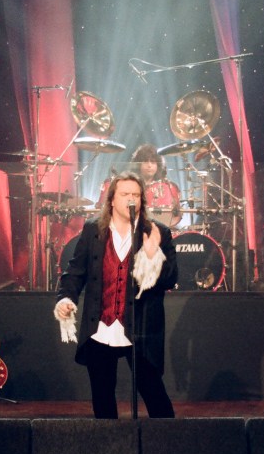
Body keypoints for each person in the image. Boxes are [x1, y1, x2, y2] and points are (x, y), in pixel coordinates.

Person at [54, 171, 178, 419]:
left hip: (139, 328)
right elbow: (75, 271)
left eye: (136, 195)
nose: (131, 199)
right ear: (111, 199)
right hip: (101, 327)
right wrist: (65, 299)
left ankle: (168, 450)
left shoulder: (156, 231)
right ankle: (110, 453)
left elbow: (170, 279)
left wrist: (152, 255)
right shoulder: (93, 230)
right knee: (102, 400)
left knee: (155, 396)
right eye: (125, 194)